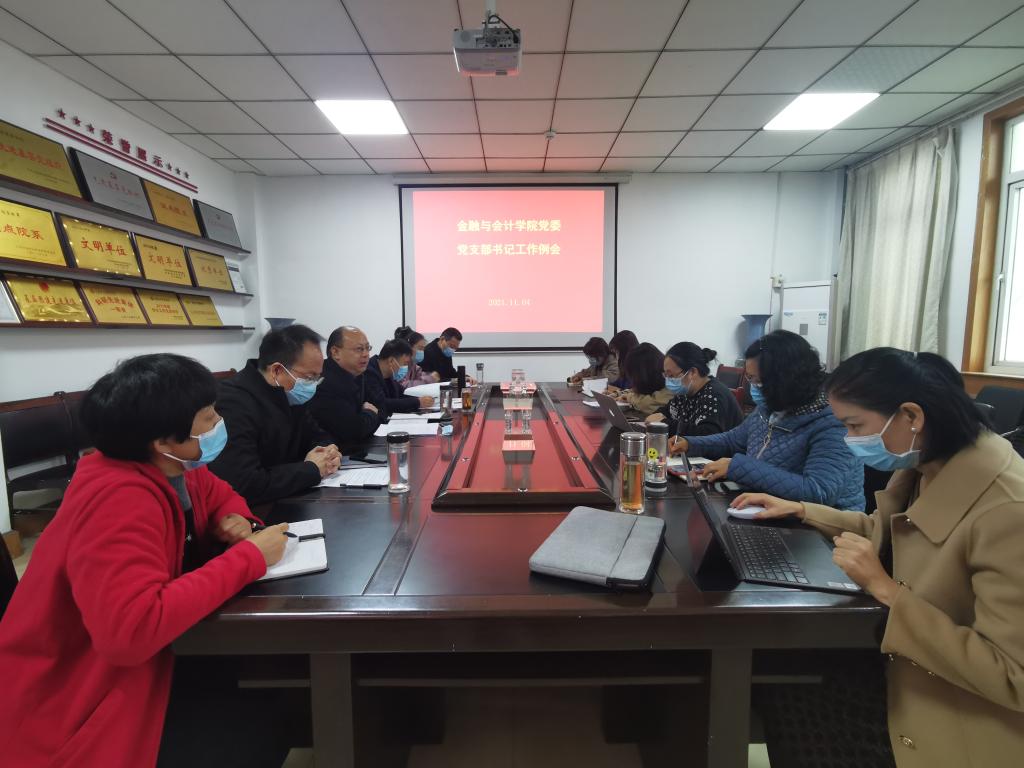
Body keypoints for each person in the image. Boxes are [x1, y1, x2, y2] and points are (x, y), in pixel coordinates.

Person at [734, 347, 1024, 768]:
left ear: (911, 416)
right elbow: (886, 532)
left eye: (855, 426)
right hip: (905, 662)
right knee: (775, 673)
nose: (848, 439)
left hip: (951, 713)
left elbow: (1012, 676)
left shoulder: (1008, 510)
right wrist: (801, 510)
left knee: (789, 696)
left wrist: (887, 590)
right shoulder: (928, 459)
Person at [0, 354, 291, 768]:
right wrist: (248, 558)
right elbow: (129, 633)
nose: (219, 424)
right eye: (209, 417)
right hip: (84, 694)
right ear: (163, 441)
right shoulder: (117, 499)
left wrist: (237, 519)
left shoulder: (177, 467)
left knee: (267, 691)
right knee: (261, 724)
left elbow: (222, 495)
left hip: (158, 658)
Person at [672, 330, 864, 510]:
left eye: (758, 380)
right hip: (764, 506)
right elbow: (733, 440)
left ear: (785, 379)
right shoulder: (771, 407)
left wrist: (738, 467)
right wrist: (690, 444)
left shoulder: (833, 423)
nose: (753, 387)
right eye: (750, 379)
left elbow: (818, 491)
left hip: (822, 528)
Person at [209, 325, 341, 506]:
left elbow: (318, 435)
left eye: (317, 377)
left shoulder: (290, 394)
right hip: (255, 510)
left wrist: (328, 453)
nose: (312, 385)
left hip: (292, 498)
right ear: (277, 370)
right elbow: (244, 483)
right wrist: (311, 469)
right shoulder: (233, 403)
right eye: (309, 377)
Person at [308, 325, 382, 451]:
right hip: (336, 453)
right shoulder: (326, 382)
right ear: (335, 352)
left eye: (367, 348)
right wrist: (370, 413)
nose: (366, 354)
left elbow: (380, 408)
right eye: (359, 349)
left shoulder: (358, 374)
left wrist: (369, 415)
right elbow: (354, 430)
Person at [648, 342, 743, 436]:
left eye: (671, 375)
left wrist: (664, 423)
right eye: (666, 375)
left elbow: (707, 435)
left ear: (692, 372)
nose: (668, 380)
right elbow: (667, 411)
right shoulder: (685, 392)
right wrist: (657, 417)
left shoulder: (714, 396)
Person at [365, 338, 431, 418]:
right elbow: (382, 403)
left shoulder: (389, 374)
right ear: (391, 361)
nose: (406, 368)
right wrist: (417, 402)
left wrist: (421, 400)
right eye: (405, 363)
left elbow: (402, 393)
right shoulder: (369, 373)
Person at [613, 342, 674, 416]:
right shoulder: (652, 380)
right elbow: (635, 390)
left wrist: (629, 397)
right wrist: (617, 394)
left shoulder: (671, 382)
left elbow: (647, 404)